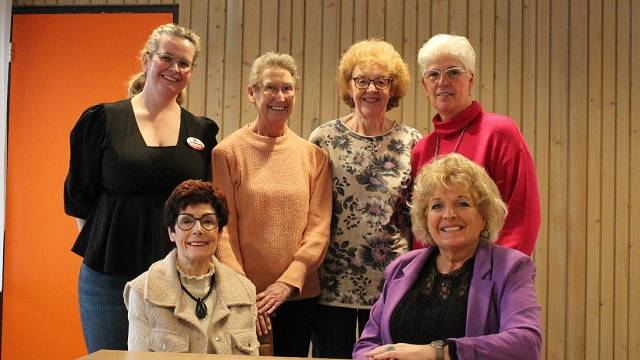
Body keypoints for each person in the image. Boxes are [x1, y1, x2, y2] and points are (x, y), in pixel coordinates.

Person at [64, 24, 218, 352]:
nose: (175, 69)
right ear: (146, 60)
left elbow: (205, 207)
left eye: (184, 63)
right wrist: (104, 242)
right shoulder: (103, 119)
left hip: (179, 277)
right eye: (166, 57)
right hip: (108, 275)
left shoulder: (201, 131)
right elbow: (80, 197)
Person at [353, 153, 542, 360]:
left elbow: (526, 343)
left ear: (484, 215)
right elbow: (368, 344)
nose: (448, 214)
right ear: (425, 218)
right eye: (437, 206)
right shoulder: (401, 266)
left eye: (462, 203)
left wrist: (438, 353)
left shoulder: (511, 267)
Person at [212, 52, 332, 357]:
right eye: (270, 88)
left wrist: (288, 283)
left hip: (298, 296)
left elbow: (318, 229)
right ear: (252, 93)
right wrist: (244, 293)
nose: (280, 96)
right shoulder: (227, 153)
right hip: (243, 297)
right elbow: (223, 230)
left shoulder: (313, 156)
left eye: (287, 88)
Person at [308, 39, 421, 358]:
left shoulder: (412, 142)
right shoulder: (323, 139)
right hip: (332, 285)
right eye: (362, 80)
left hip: (392, 284)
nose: (371, 89)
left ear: (393, 87)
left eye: (381, 81)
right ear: (349, 84)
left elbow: (419, 218)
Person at [411, 34, 540, 256]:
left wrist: (495, 277)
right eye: (433, 74)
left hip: (489, 278)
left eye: (453, 72)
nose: (443, 82)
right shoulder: (422, 149)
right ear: (425, 85)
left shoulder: (499, 132)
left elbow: (523, 215)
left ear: (470, 80)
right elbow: (421, 230)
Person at [124, 180, 259, 354]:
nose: (198, 230)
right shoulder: (142, 291)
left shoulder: (245, 291)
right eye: (186, 221)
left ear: (219, 232)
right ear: (172, 232)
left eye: (207, 221)